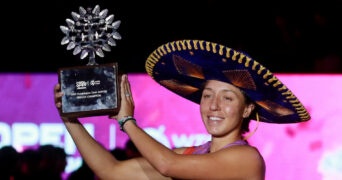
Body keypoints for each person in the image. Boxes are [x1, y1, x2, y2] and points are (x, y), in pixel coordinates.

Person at [54, 39, 310, 179]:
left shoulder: (246, 159)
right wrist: (70, 119)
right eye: (207, 95)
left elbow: (167, 165)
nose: (213, 106)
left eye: (228, 98)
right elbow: (111, 172)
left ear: (246, 110)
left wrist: (127, 121)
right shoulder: (190, 154)